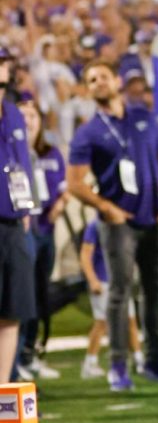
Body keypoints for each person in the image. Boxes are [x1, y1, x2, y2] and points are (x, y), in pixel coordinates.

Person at [67, 58, 158, 391]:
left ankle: (156, 359)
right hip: (118, 222)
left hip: (153, 216)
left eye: (102, 76)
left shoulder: (143, 117)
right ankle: (118, 365)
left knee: (155, 290)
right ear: (88, 90)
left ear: (116, 81)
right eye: (91, 79)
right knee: (120, 291)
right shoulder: (88, 131)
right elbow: (75, 183)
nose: (98, 82)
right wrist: (105, 207)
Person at [16, 94, 67, 380]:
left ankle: (31, 353)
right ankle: (16, 355)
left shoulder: (50, 153)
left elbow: (64, 187)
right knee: (21, 295)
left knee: (39, 293)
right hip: (24, 231)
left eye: (33, 116)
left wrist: (60, 203)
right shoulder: (11, 151)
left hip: (46, 229)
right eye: (22, 116)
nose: (28, 121)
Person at [0, 46, 36, 383]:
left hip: (13, 221)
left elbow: (21, 162)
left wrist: (27, 206)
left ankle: (3, 389)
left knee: (12, 312)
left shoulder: (13, 112)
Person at [79, 217, 143, 380]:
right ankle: (90, 362)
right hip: (102, 281)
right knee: (102, 322)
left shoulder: (123, 222)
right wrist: (92, 280)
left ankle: (138, 359)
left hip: (119, 282)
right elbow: (86, 255)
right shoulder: (95, 225)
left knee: (131, 321)